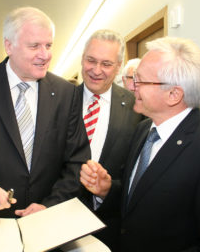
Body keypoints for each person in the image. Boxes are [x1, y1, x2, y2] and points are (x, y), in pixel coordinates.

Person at [80, 36, 200, 251]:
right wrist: (107, 190)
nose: (131, 87)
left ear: (173, 94)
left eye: (140, 81)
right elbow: (137, 197)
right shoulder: (144, 130)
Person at [0, 6, 90, 221]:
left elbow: (77, 161)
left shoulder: (66, 94)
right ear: (8, 46)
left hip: (47, 222)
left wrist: (51, 205)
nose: (45, 54)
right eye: (34, 46)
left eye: (48, 45)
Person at [78, 29, 143, 251]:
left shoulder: (138, 107)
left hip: (111, 225)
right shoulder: (60, 100)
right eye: (91, 60)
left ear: (118, 66)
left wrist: (107, 191)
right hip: (59, 219)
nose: (96, 71)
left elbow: (139, 173)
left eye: (106, 64)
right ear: (82, 59)